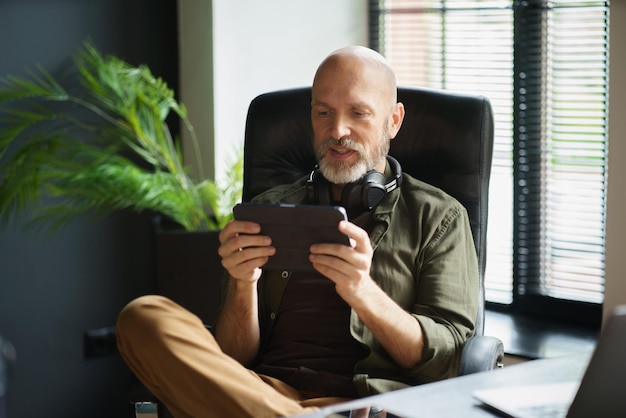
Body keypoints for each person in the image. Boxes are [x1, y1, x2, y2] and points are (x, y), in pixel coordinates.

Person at [116, 45, 478, 418]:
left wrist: (363, 292)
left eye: (358, 113)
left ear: (393, 120)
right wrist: (244, 283)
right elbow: (230, 360)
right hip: (258, 391)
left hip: (357, 405)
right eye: (324, 113)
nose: (337, 131)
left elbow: (447, 360)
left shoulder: (438, 218)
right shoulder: (268, 209)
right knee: (143, 316)